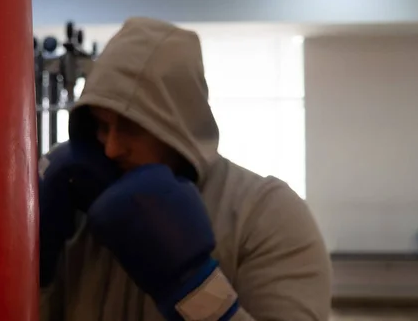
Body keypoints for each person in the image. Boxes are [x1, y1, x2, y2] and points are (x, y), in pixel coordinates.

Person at [39, 17, 332, 321]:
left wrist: (194, 290)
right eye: (101, 126)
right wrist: (32, 269)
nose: (111, 148)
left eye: (132, 128)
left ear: (176, 127)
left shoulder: (265, 214)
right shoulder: (79, 212)